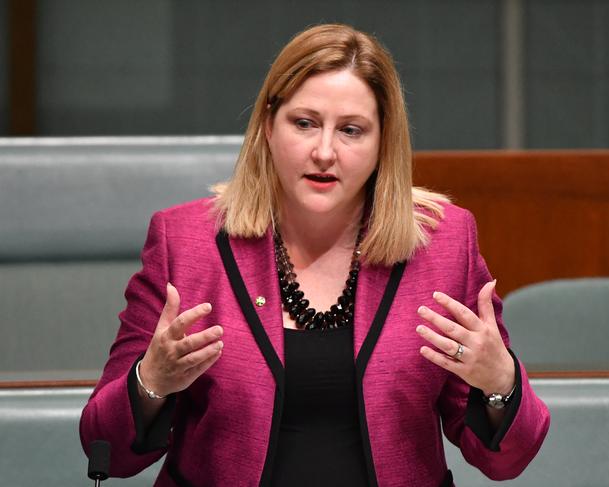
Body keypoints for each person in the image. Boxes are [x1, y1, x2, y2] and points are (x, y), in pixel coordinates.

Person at [80, 23, 550, 487]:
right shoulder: (185, 243)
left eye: (351, 130)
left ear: (383, 141)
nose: (324, 151)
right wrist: (152, 381)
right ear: (268, 125)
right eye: (304, 123)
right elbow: (105, 447)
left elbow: (504, 462)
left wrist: (499, 382)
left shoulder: (444, 243)